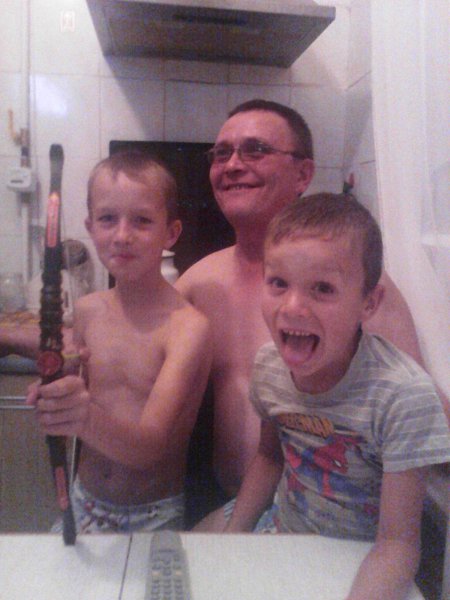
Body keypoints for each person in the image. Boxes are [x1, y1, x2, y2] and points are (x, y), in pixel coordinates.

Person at [175, 98, 449, 528]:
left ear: (303, 174)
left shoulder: (353, 293)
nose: (232, 165)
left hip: (343, 523)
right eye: (221, 153)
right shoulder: (198, 283)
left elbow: (423, 416)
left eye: (255, 150)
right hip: (248, 505)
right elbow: (131, 363)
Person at [225, 193, 450, 600]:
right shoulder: (270, 368)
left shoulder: (402, 396)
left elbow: (398, 545)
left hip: (367, 559)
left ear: (369, 303)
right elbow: (270, 458)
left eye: (323, 289)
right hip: (285, 531)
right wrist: (230, 540)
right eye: (278, 283)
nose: (292, 307)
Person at [26, 150, 211, 533]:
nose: (122, 235)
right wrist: (58, 392)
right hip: (83, 500)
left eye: (142, 220)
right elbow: (84, 388)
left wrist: (80, 416)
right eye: (108, 219)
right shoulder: (88, 310)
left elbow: (149, 449)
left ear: (170, 233)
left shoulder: (188, 328)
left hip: (153, 516)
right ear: (90, 227)